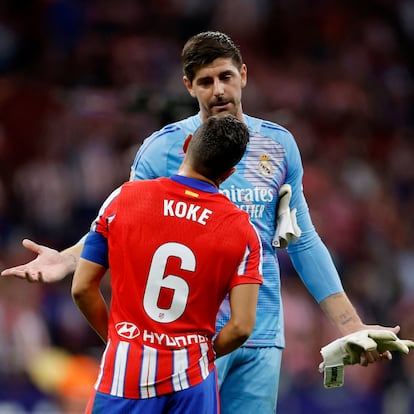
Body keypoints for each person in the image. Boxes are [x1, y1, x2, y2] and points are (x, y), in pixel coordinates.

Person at [1, 31, 399, 413]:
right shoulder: (162, 149)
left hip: (258, 334)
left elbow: (304, 240)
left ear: (243, 75)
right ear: (189, 86)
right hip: (186, 341)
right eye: (205, 81)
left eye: (226, 76)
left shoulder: (278, 145)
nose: (219, 90)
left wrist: (350, 324)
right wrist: (69, 260)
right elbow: (121, 222)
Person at [71, 114, 263, 413]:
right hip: (193, 378)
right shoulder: (242, 231)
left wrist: (116, 340)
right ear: (228, 173)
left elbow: (82, 288)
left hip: (126, 371)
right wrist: (202, 353)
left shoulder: (124, 198)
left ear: (186, 145)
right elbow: (241, 326)